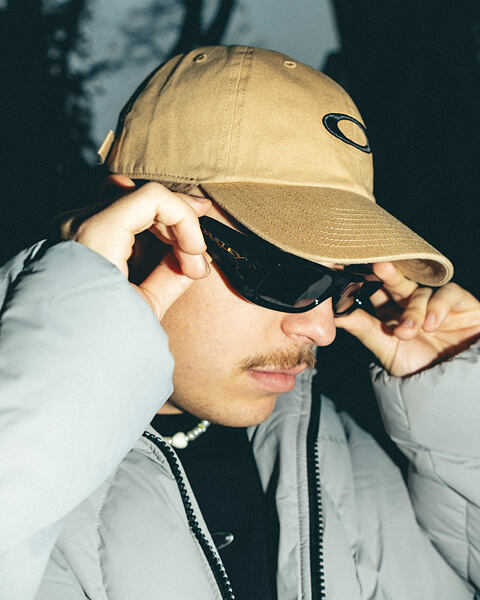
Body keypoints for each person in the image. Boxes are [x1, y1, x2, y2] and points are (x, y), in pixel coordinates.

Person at [0, 45, 479, 600]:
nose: (322, 330)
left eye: (348, 286)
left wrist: (459, 418)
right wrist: (64, 367)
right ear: (135, 226)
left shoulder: (337, 454)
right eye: (285, 275)